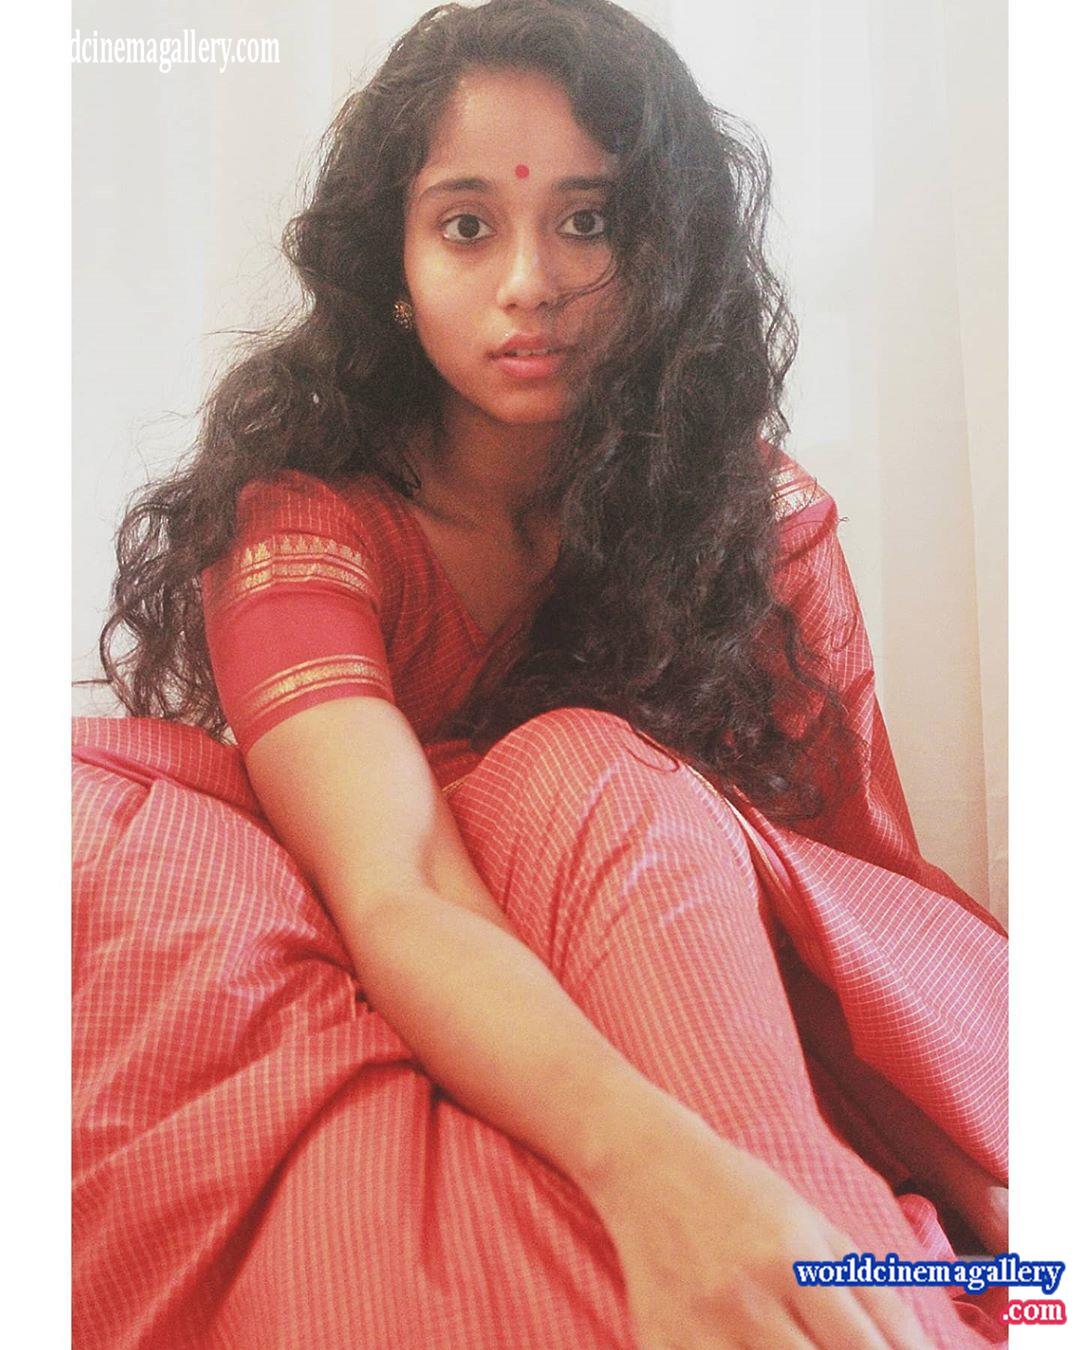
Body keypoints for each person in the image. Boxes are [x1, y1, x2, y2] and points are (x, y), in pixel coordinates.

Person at [72, 1, 1007, 1346]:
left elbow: (843, 870)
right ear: (392, 267)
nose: (530, 282)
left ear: (664, 250)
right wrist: (657, 1174)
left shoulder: (743, 515)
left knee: (601, 782)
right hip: (393, 966)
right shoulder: (304, 522)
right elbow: (398, 880)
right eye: (467, 225)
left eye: (589, 221)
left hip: (685, 970)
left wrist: (970, 1149)